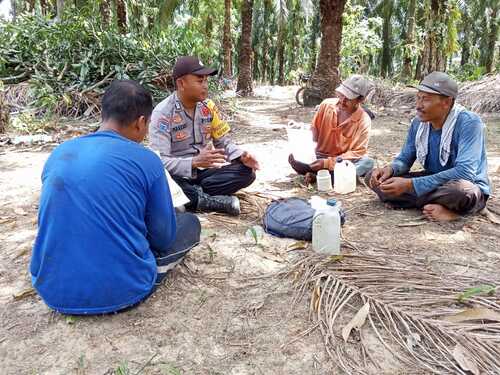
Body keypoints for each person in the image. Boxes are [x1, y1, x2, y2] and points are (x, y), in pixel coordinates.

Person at [30, 80, 201, 315]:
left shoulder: (59, 153)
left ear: (104, 114)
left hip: (50, 287)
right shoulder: (146, 160)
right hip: (124, 289)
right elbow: (163, 238)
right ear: (141, 122)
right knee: (189, 223)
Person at [366, 71, 490, 221]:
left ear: (446, 102)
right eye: (418, 98)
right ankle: (438, 204)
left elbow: (465, 172)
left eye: (426, 99)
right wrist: (390, 169)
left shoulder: (469, 123)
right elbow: (405, 159)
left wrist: (410, 185)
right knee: (375, 179)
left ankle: (456, 211)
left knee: (463, 192)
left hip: (462, 184)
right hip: (433, 182)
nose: (418, 106)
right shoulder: (418, 123)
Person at [149, 56, 260, 216]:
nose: (206, 86)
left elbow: (223, 142)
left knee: (247, 172)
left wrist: (241, 155)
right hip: (179, 176)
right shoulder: (163, 113)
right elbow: (159, 161)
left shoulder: (208, 107)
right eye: (200, 81)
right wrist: (193, 162)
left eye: (206, 81)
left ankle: (194, 197)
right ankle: (206, 200)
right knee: (162, 183)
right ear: (181, 83)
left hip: (205, 173)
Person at [288, 75, 375, 184]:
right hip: (319, 156)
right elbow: (313, 133)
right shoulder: (326, 105)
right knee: (293, 158)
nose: (342, 101)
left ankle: (321, 175)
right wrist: (300, 129)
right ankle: (332, 176)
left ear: (360, 99)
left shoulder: (364, 120)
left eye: (348, 99)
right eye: (341, 95)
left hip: (341, 161)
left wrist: (327, 163)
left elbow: (357, 153)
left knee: (367, 163)